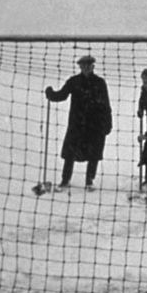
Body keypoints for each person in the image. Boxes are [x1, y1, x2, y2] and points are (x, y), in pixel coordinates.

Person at [45, 55, 113, 192]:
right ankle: (65, 180)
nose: (86, 68)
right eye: (83, 66)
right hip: (77, 123)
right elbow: (62, 95)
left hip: (95, 124)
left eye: (89, 65)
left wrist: (108, 123)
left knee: (93, 153)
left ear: (93, 66)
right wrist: (51, 94)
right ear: (80, 67)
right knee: (70, 152)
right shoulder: (74, 81)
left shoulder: (100, 83)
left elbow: (106, 104)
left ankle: (90, 181)